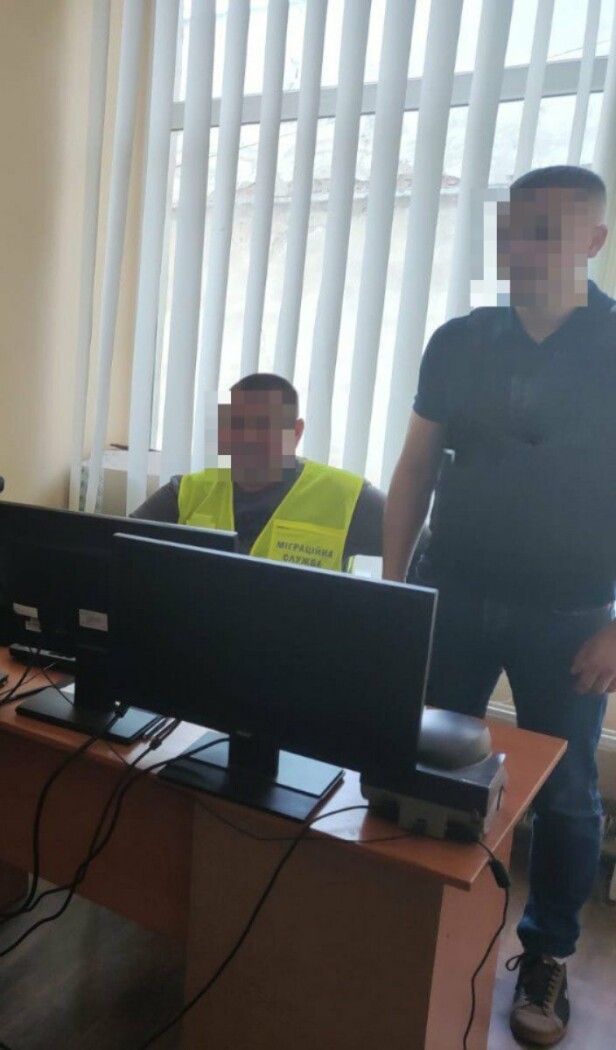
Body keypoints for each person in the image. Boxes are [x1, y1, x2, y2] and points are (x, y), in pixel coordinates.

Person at [383, 164, 616, 1047]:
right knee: (426, 764)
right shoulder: (461, 341)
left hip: (571, 616)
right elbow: (415, 468)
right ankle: (416, 917)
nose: (523, 247)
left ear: (593, 240)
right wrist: (397, 587)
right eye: (513, 228)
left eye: (546, 230)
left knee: (566, 797)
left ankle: (547, 953)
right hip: (452, 589)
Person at [132, 372, 398, 573]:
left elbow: (420, 551)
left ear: (295, 433)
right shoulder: (185, 492)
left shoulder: (347, 497)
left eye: (262, 427)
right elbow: (117, 546)